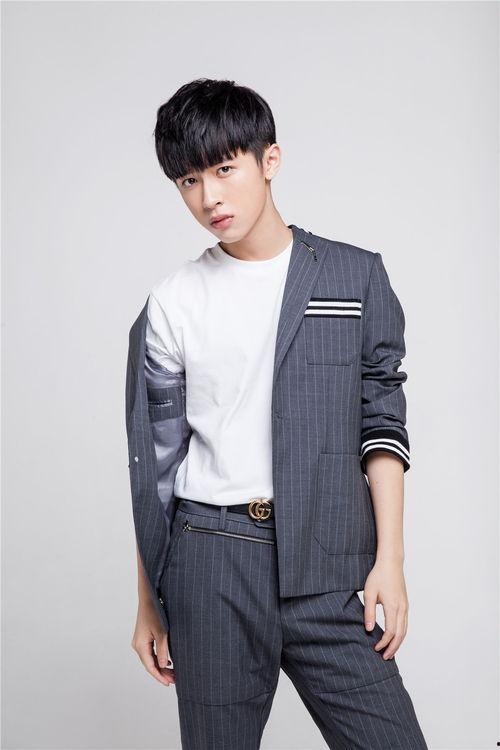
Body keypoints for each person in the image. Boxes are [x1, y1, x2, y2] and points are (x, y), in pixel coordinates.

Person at [126, 77, 428, 749]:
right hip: (210, 561)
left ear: (270, 160)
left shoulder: (353, 278)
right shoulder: (173, 302)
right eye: (188, 181)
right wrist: (149, 600)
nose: (208, 197)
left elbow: (382, 423)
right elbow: (156, 470)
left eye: (223, 170)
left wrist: (391, 559)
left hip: (325, 562)